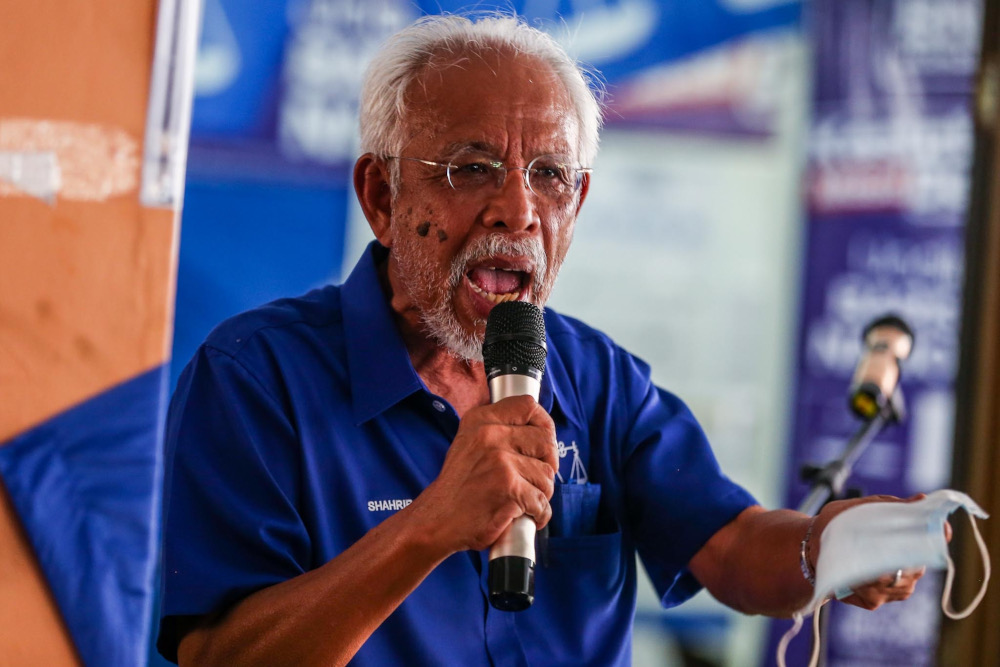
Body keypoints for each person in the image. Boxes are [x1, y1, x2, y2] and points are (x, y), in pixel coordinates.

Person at [157, 13, 924, 666]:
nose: (519, 211)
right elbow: (220, 656)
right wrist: (429, 526)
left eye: (551, 175)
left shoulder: (599, 378)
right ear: (382, 196)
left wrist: (826, 546)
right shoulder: (254, 379)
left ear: (577, 203)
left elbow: (730, 546)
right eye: (473, 168)